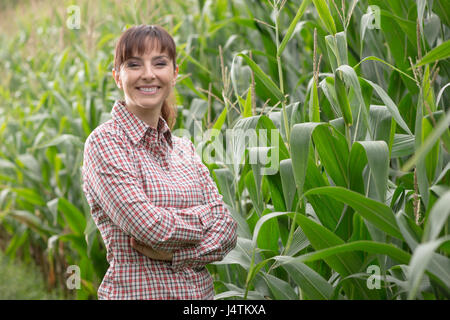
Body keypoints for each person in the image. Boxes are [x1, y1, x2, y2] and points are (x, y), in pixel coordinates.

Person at [82, 24, 237, 300]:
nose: (148, 74)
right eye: (134, 64)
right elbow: (150, 227)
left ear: (174, 74)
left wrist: (179, 254)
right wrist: (206, 217)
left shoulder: (184, 150)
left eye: (160, 63)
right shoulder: (105, 143)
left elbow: (227, 228)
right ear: (118, 76)